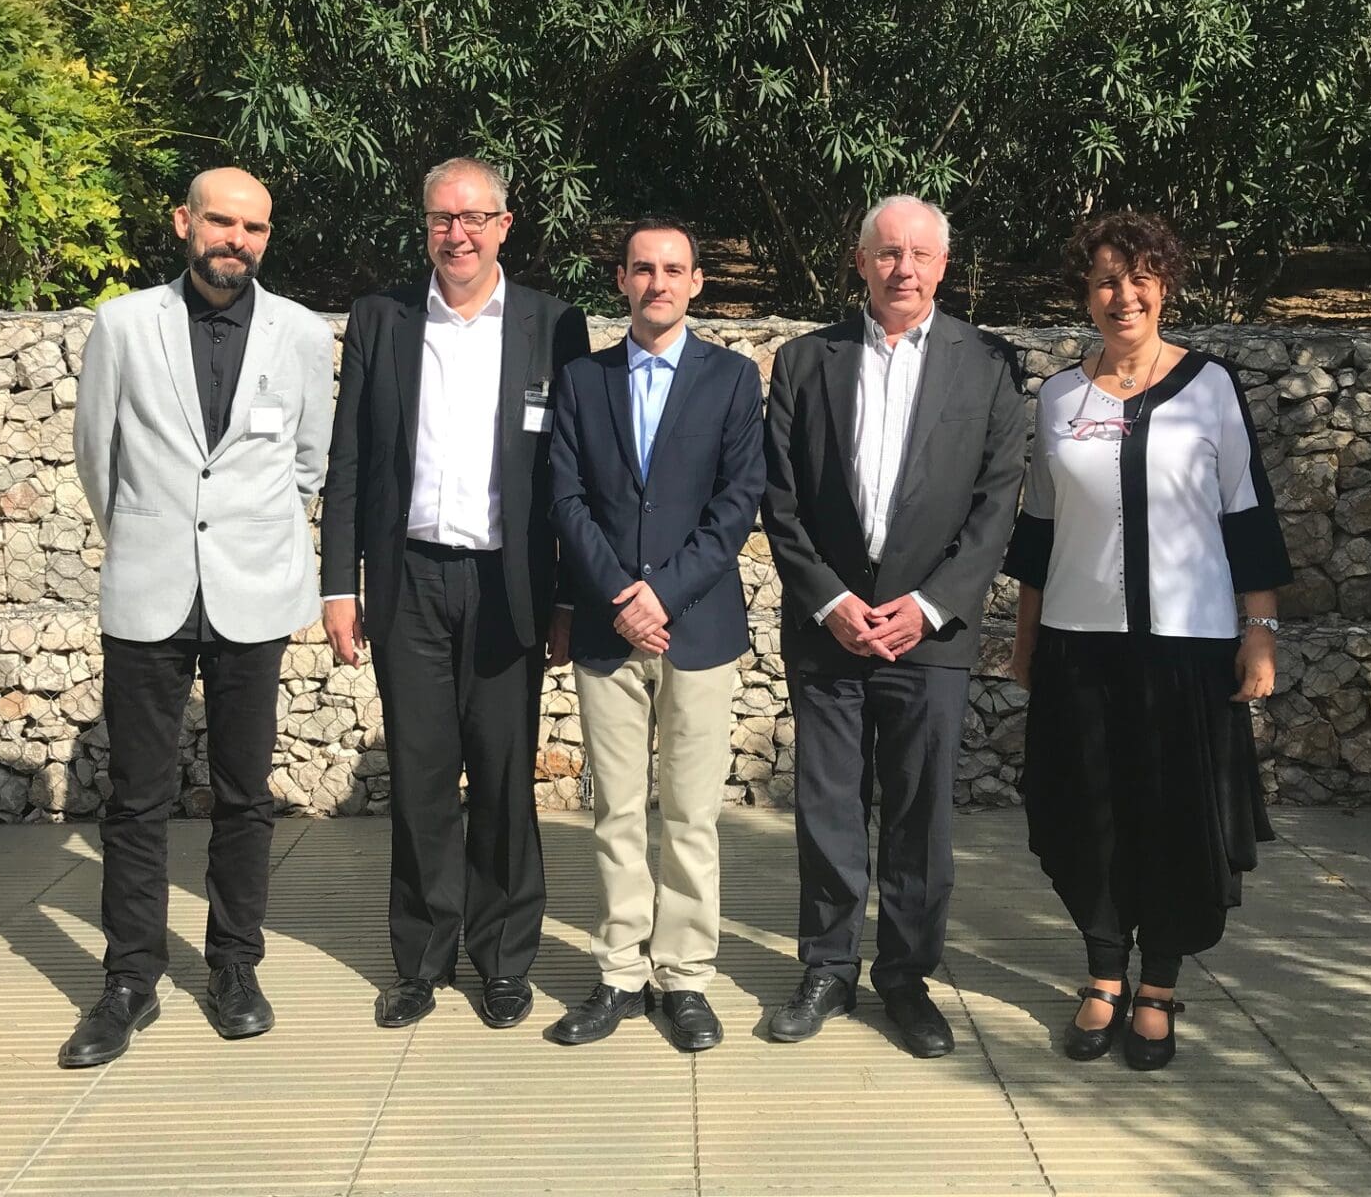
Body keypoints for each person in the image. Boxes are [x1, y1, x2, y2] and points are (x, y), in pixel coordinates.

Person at [1004, 210, 1291, 1072]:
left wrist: (1261, 634)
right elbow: (1039, 534)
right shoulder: (1060, 397)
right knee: (1086, 813)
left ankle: (1158, 983)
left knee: (1174, 818)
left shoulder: (1211, 388)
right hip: (1079, 646)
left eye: (1137, 279)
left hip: (1189, 650)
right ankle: (1100, 973)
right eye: (1103, 280)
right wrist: (1025, 641)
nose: (1120, 295)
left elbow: (1247, 517)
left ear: (1164, 286)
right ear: (1084, 294)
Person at [63, 167, 336, 1068]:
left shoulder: (298, 332)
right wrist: (151, 538)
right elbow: (98, 459)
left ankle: (233, 965)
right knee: (137, 799)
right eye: (221, 221)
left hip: (252, 592)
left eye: (254, 228)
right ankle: (130, 979)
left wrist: (245, 537)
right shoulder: (125, 324)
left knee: (246, 796)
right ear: (185, 222)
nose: (237, 240)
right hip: (150, 588)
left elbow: (307, 461)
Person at [319, 156, 590, 1031]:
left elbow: (571, 477)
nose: (457, 234)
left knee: (507, 780)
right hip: (410, 580)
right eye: (442, 218)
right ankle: (422, 960)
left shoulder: (555, 325)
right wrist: (338, 585)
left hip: (510, 583)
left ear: (505, 226)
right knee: (422, 781)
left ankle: (505, 961)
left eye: (474, 218)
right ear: (425, 225)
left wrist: (570, 602)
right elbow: (350, 461)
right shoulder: (383, 319)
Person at [761, 194, 1028, 1058]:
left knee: (919, 816)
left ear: (945, 267)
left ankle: (906, 978)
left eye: (919, 254)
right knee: (828, 807)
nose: (903, 268)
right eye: (887, 253)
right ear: (861, 262)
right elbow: (780, 500)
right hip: (829, 631)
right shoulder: (807, 361)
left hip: (930, 636)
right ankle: (828, 968)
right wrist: (833, 602)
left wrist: (927, 605)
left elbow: (996, 507)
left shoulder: (987, 365)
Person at [547, 219, 765, 1052]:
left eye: (675, 269)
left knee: (691, 814)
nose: (659, 282)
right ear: (622, 279)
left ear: (698, 282)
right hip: (608, 631)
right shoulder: (581, 379)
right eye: (644, 269)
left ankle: (684, 977)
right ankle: (618, 973)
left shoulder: (734, 380)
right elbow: (566, 500)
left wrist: (661, 595)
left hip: (698, 628)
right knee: (616, 812)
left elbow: (736, 504)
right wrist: (617, 595)